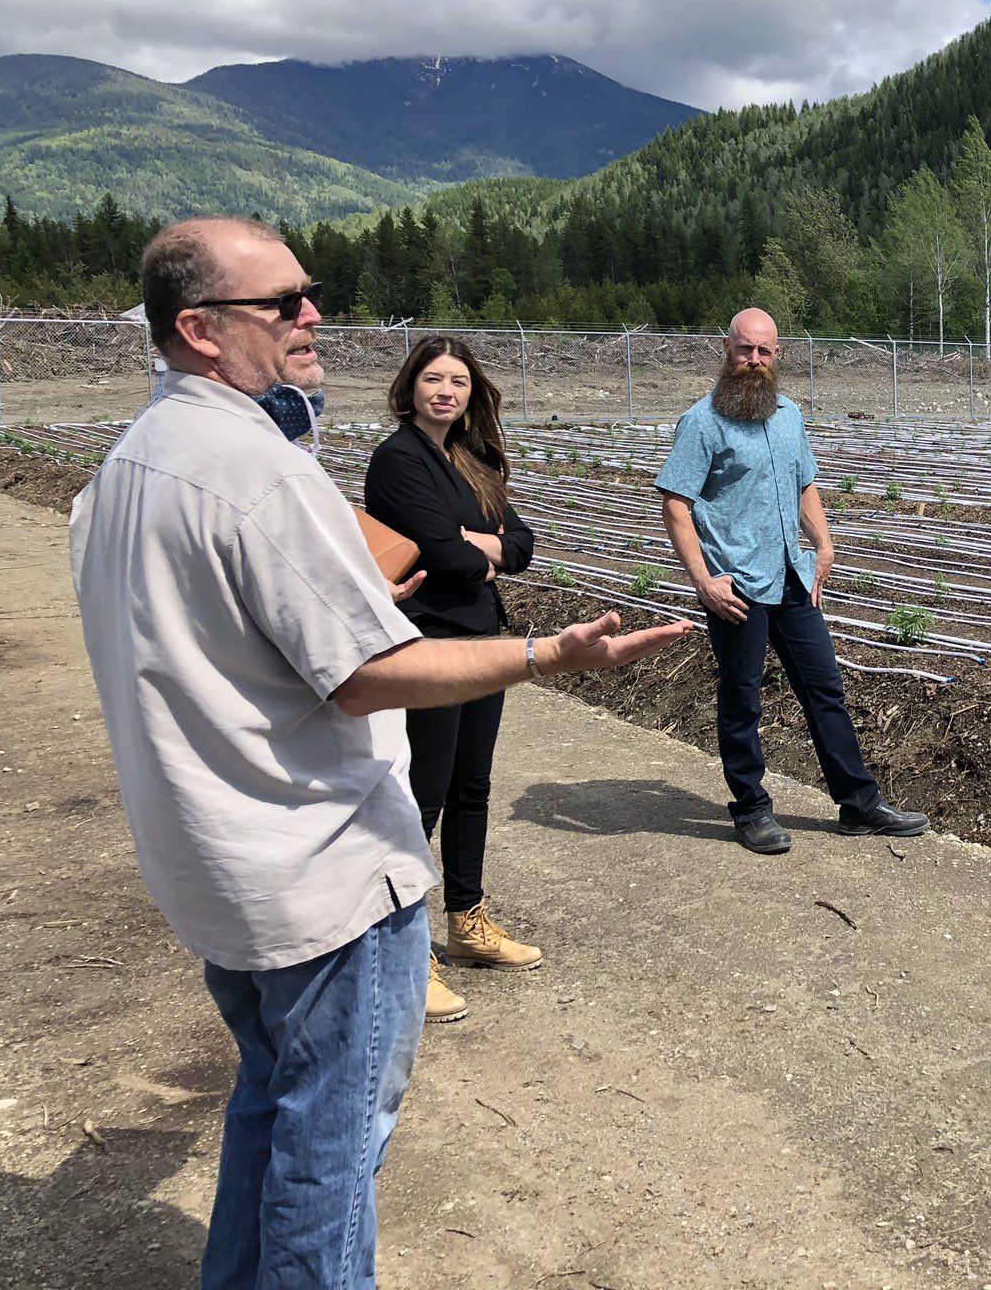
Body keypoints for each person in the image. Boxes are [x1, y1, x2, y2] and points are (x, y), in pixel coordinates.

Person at [70, 217, 688, 1289]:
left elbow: (213, 646)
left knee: (274, 1105)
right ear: (199, 329)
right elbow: (361, 672)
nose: (313, 317)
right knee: (331, 1152)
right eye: (284, 304)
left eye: (309, 294)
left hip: (219, 867)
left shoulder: (127, 469)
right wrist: (547, 653)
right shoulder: (255, 474)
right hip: (319, 879)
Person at [657, 307, 928, 854]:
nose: (754, 360)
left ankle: (858, 804)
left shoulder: (788, 415)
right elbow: (675, 503)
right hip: (735, 583)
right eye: (744, 349)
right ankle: (751, 809)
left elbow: (805, 485)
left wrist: (824, 543)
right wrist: (705, 580)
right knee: (742, 695)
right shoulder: (703, 423)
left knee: (824, 687)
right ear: (726, 349)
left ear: (777, 356)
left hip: (791, 576)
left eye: (764, 351)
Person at [365, 337, 539, 1026]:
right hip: (428, 640)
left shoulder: (474, 457)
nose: (446, 391)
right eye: (433, 379)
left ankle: (467, 922)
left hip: (480, 638)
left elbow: (521, 544)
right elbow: (441, 554)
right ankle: (403, 951)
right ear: (409, 389)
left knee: (473, 784)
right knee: (424, 790)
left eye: (459, 381)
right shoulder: (398, 458)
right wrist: (477, 547)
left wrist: (482, 547)